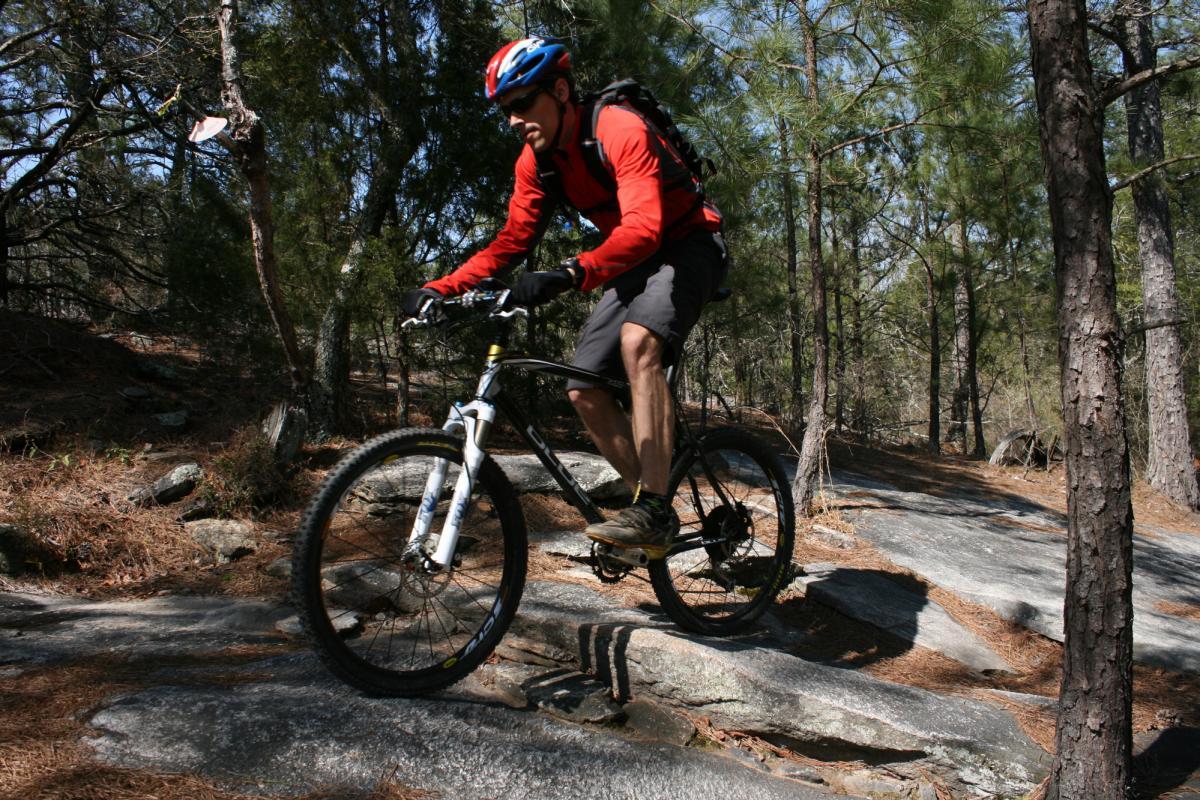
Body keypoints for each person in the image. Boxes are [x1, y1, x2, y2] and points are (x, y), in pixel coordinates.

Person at [402, 36, 728, 556]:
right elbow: (511, 241)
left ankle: (654, 510)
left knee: (638, 343)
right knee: (582, 386)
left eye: (522, 102)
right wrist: (438, 288)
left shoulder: (618, 128)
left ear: (559, 90)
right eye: (505, 110)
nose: (512, 119)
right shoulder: (536, 162)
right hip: (635, 255)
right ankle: (649, 502)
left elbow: (645, 228)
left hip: (689, 242)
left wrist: (570, 272)